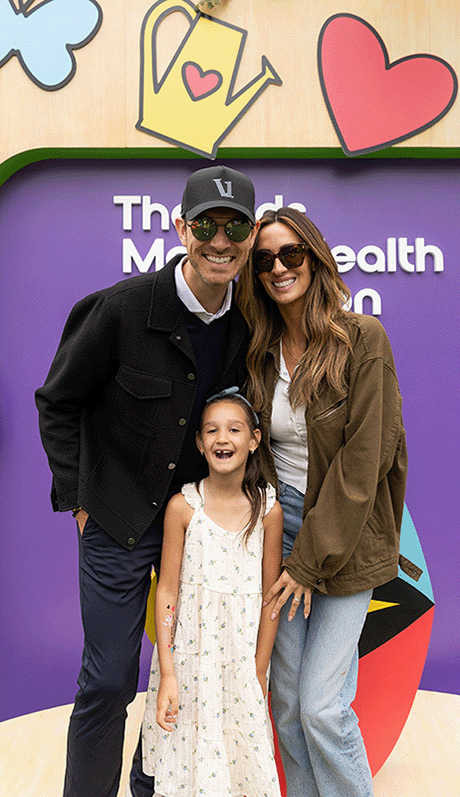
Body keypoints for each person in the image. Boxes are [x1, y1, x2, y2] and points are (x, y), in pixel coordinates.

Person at [35, 164, 258, 797]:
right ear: (181, 227)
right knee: (107, 680)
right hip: (114, 522)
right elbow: (57, 400)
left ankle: (150, 785)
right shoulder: (121, 309)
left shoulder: (249, 324)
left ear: (250, 235)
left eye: (234, 226)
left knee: (185, 671)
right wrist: (79, 501)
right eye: (206, 225)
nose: (220, 241)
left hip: (197, 529)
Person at [237, 207, 411, 797]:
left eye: (291, 254)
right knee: (285, 705)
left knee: (321, 708)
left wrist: (309, 560)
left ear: (314, 256)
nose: (278, 268)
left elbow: (365, 465)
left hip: (345, 539)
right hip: (278, 530)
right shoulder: (260, 350)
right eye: (264, 260)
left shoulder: (362, 340)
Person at [141, 389, 283, 797]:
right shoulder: (184, 508)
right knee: (189, 767)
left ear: (253, 440)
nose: (223, 439)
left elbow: (270, 598)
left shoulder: (268, 511)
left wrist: (259, 668)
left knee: (241, 769)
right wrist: (168, 671)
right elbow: (166, 591)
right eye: (212, 431)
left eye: (234, 429)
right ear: (200, 443)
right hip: (189, 665)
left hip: (240, 665)